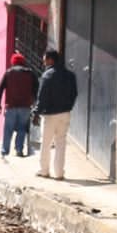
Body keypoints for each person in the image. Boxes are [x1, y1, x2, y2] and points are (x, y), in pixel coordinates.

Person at [34, 48, 78, 179]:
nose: (43, 62)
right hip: (65, 113)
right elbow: (74, 94)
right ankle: (59, 173)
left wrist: (37, 112)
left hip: (50, 115)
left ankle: (44, 170)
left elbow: (42, 96)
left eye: (45, 59)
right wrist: (68, 107)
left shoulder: (47, 75)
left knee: (46, 143)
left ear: (50, 59)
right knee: (61, 143)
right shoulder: (70, 75)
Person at [0, 52, 38, 158]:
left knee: (8, 129)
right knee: (22, 128)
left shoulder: (8, 73)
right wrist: (35, 103)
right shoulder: (30, 73)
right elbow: (36, 89)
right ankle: (19, 150)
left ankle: (5, 151)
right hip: (25, 107)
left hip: (11, 106)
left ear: (13, 62)